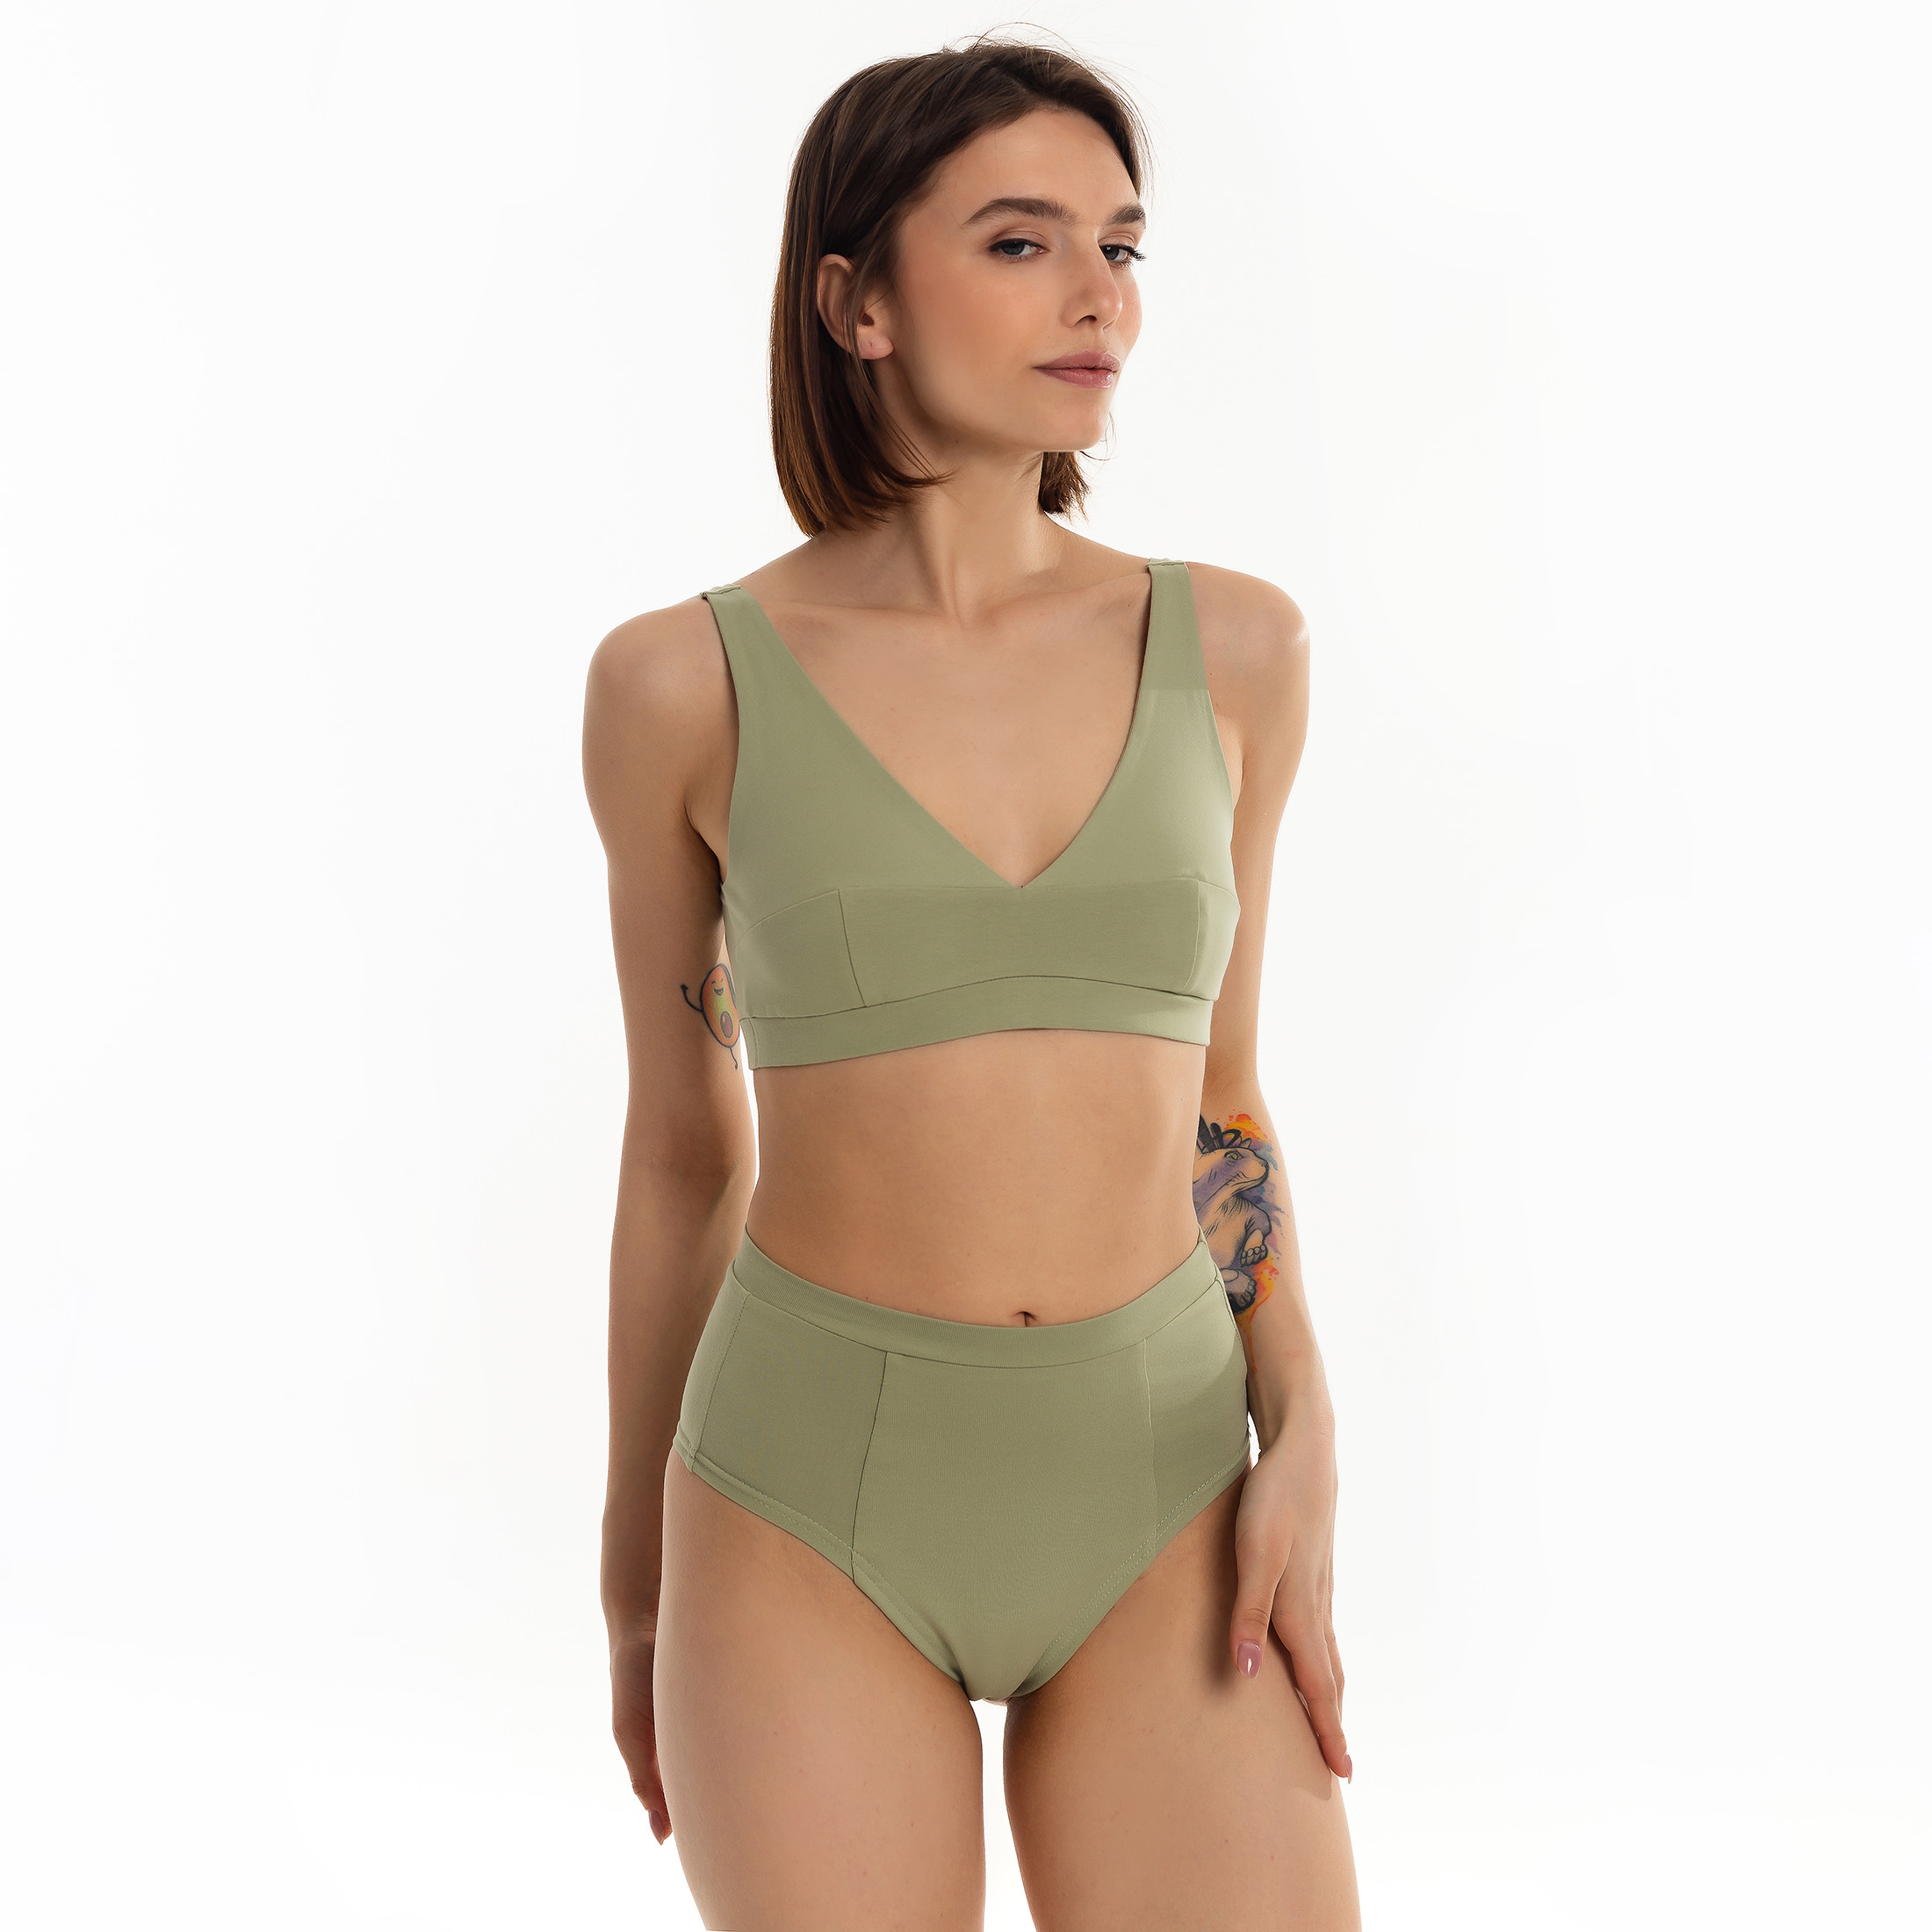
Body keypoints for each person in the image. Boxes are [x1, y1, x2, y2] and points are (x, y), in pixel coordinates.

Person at [580, 33, 1362, 1932]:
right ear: (853, 300)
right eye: (1021, 241)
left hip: (1164, 1472)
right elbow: (684, 1150)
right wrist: (631, 1577)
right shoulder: (680, 685)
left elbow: (1220, 1096)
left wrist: (1303, 1422)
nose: (1099, 292)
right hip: (801, 1498)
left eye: (1120, 243)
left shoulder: (1236, 651)